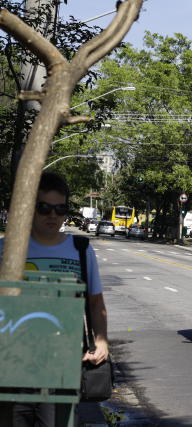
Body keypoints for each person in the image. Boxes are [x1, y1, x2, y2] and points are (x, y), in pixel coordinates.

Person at [0, 172, 108, 427]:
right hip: (12, 361)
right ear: (30, 208)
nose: (52, 215)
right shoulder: (8, 248)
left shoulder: (80, 249)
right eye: (44, 208)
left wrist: (101, 341)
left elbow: (95, 303)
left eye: (60, 209)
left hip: (62, 364)